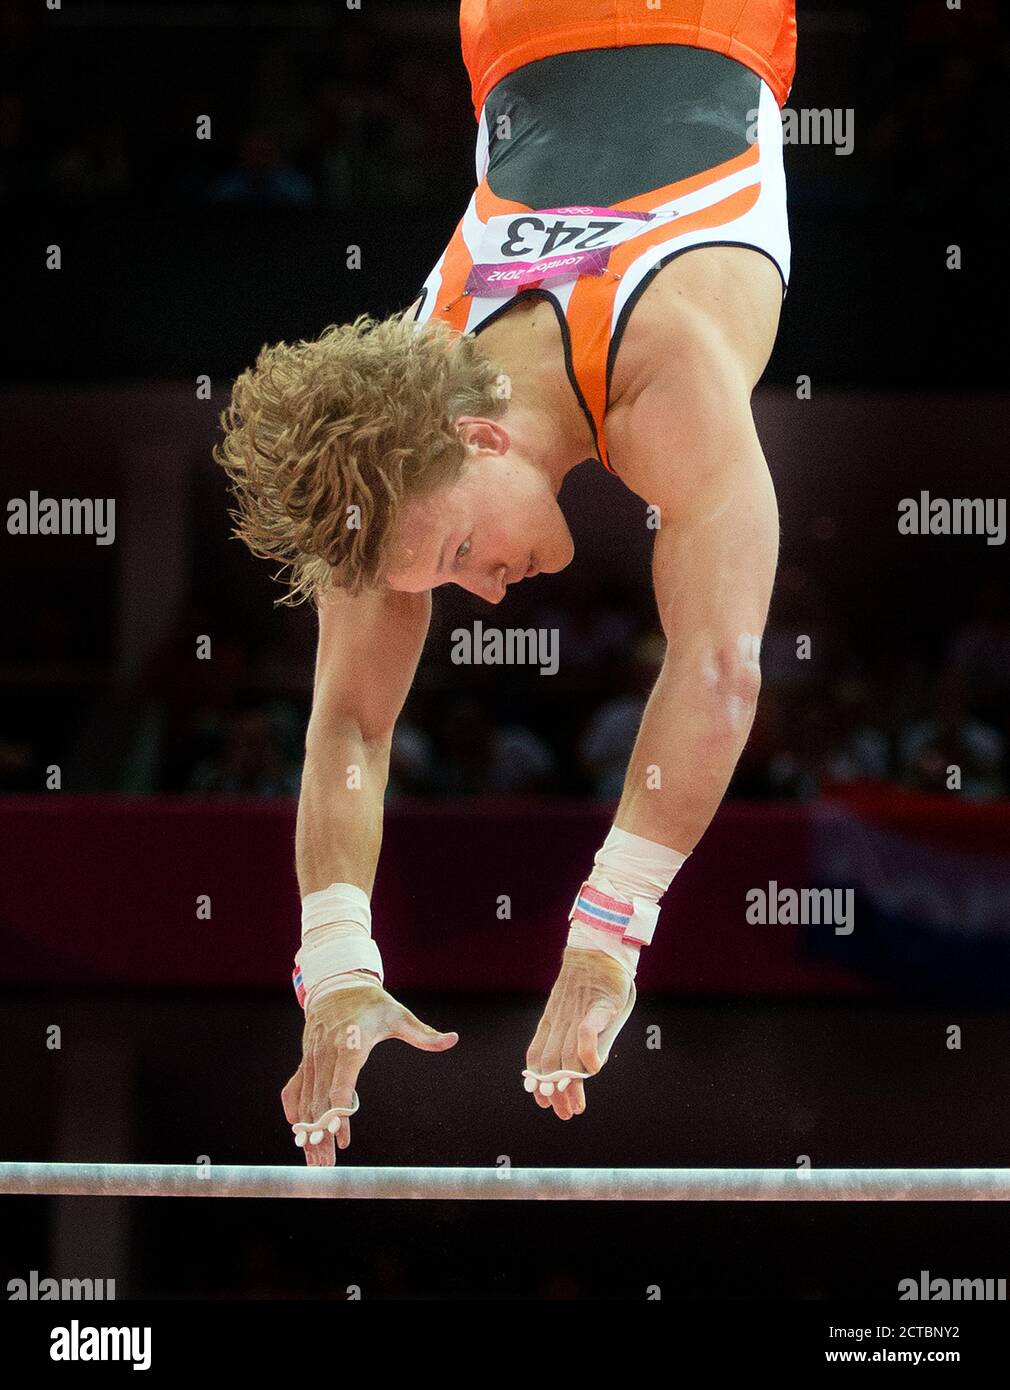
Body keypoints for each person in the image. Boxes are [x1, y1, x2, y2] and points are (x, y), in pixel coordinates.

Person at [215, 0, 797, 1164]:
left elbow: (722, 665)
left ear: (481, 440)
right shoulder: (391, 435)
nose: (478, 595)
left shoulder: (663, 368)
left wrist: (608, 928)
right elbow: (347, 722)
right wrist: (334, 963)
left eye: (447, 562)